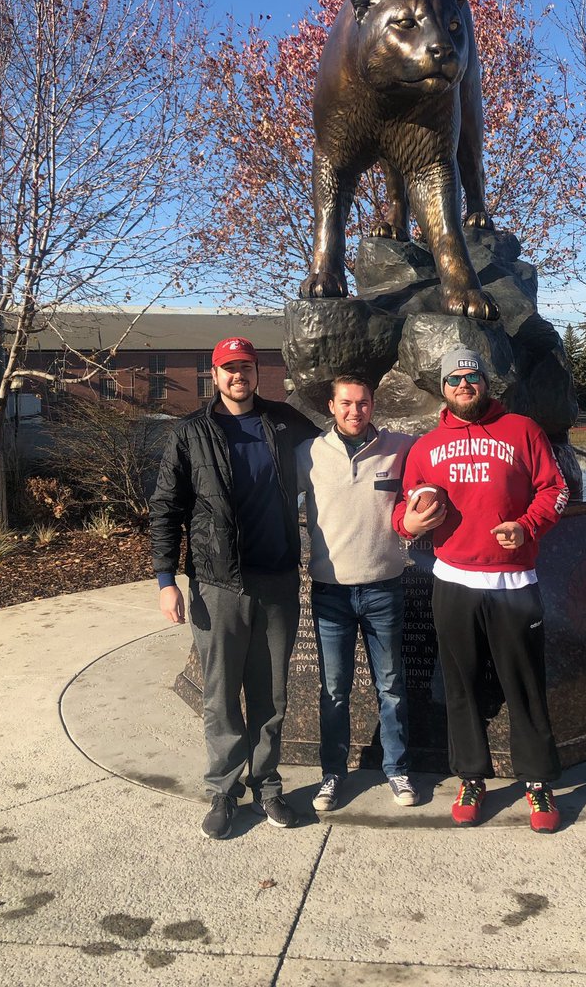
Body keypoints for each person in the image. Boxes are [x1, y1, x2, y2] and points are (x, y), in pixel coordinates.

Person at [393, 346, 569, 831]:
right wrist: (409, 522)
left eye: (471, 378)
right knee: (460, 686)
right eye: (454, 380)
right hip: (453, 580)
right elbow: (403, 513)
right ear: (442, 389)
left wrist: (528, 526)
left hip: (512, 579)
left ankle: (538, 783)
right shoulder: (426, 447)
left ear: (485, 383)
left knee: (525, 685)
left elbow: (555, 489)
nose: (463, 386)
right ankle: (471, 776)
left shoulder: (523, 430)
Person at [149, 336, 318, 839]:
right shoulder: (190, 433)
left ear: (256, 371)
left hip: (278, 580)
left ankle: (267, 786)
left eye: (244, 366)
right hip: (216, 583)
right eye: (227, 368)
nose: (237, 376)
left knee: (272, 695)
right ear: (215, 374)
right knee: (221, 696)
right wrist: (166, 579)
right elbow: (166, 509)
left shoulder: (286, 422)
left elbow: (337, 454)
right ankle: (223, 789)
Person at [296, 374, 418, 812]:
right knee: (334, 690)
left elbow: (435, 467)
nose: (355, 411)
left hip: (384, 587)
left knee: (391, 687)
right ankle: (332, 773)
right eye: (346, 403)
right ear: (331, 406)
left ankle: (397, 769)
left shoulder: (400, 448)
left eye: (363, 403)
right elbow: (267, 502)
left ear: (373, 405)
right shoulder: (307, 454)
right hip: (331, 594)